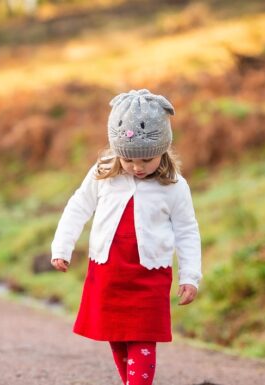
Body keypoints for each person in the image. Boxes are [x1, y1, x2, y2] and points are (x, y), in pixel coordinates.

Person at [50, 89, 202, 385]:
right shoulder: (104, 173)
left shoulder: (174, 186)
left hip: (149, 275)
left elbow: (187, 230)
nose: (137, 167)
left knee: (143, 338)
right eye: (129, 158)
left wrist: (190, 276)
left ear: (163, 149)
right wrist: (62, 247)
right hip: (109, 272)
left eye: (147, 159)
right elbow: (79, 207)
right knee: (117, 337)